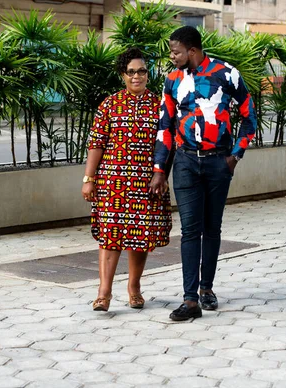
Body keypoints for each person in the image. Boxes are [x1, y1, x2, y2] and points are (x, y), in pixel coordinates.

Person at [150, 26, 257, 321]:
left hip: (217, 163)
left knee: (212, 229)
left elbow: (250, 116)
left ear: (192, 51)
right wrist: (160, 170)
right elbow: (165, 127)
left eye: (176, 52)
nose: (172, 57)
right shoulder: (172, 81)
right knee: (189, 231)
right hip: (185, 163)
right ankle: (190, 299)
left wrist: (235, 157)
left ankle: (207, 289)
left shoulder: (226, 74)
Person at [82, 47, 172, 312]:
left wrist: (161, 173)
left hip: (147, 182)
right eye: (131, 72)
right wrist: (89, 178)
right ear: (123, 74)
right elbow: (96, 143)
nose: (137, 76)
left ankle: (134, 288)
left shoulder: (160, 105)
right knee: (110, 235)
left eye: (141, 71)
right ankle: (103, 293)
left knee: (140, 236)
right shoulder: (109, 105)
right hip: (112, 182)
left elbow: (167, 144)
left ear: (147, 73)